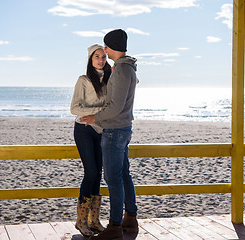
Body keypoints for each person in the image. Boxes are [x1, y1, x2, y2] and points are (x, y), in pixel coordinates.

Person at [81, 29, 138, 240]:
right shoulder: (124, 68)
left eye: (106, 46)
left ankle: (115, 227)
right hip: (122, 128)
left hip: (115, 130)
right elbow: (117, 102)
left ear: (112, 47)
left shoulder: (122, 70)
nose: (104, 50)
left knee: (113, 178)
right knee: (123, 175)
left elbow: (116, 107)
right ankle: (130, 219)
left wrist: (94, 117)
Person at [70, 44, 111, 237]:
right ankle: (81, 221)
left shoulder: (109, 79)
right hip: (84, 129)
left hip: (101, 130)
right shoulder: (84, 80)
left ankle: (93, 221)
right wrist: (96, 111)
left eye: (103, 57)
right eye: (97, 57)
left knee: (98, 174)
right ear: (90, 58)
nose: (101, 60)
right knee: (91, 171)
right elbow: (74, 108)